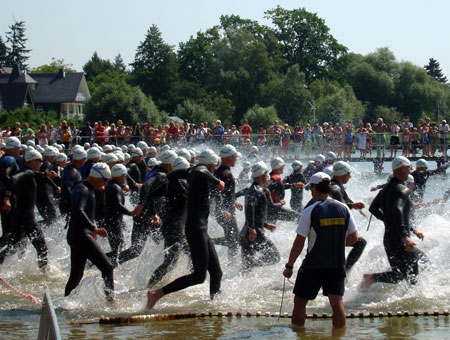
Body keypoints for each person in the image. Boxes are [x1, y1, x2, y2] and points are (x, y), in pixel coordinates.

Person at [146, 149, 225, 309]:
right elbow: (201, 170)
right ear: (209, 164)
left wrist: (184, 192)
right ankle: (156, 294)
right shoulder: (200, 170)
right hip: (196, 229)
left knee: (216, 273)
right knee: (198, 276)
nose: (215, 169)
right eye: (214, 166)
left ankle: (214, 305)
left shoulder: (191, 171)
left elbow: (171, 176)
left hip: (201, 229)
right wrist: (217, 181)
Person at [283, 172, 358, 328]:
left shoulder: (310, 210)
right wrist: (334, 242)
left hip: (313, 264)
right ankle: (338, 337)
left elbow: (299, 242)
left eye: (311, 188)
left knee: (300, 301)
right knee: (336, 303)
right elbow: (353, 239)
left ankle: (299, 335)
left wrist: (289, 266)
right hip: (336, 264)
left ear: (315, 188)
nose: (311, 191)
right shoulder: (344, 208)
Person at [362, 157, 425, 290]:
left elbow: (372, 208)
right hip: (399, 240)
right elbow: (397, 210)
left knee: (400, 273)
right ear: (402, 168)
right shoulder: (403, 189)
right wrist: (404, 236)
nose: (410, 171)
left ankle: (372, 278)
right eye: (409, 168)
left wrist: (388, 221)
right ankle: (412, 303)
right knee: (413, 276)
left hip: (388, 239)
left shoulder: (385, 190)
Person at [0, 150, 57, 269]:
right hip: (28, 219)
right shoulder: (26, 173)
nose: (41, 163)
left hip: (19, 216)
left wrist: (44, 175)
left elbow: (31, 174)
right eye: (40, 161)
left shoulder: (26, 171)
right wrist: (7, 196)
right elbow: (13, 179)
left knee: (12, 246)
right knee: (42, 249)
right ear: (33, 161)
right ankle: (44, 274)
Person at [118, 150, 177, 265]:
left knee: (135, 250)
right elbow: (146, 186)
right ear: (169, 164)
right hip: (147, 216)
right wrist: (141, 205)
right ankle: (104, 262)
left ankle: (102, 262)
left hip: (148, 215)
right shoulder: (161, 175)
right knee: (167, 243)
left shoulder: (156, 170)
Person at [64, 162, 114, 301]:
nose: (104, 184)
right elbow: (78, 211)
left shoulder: (84, 188)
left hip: (77, 234)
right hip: (81, 235)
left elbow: (85, 212)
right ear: (96, 177)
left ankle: (65, 302)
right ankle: (111, 302)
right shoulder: (83, 189)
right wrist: (94, 228)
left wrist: (91, 227)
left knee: (76, 275)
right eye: (104, 180)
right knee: (108, 267)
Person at [147, 157, 191, 288]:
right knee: (170, 262)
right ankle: (148, 288)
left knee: (182, 258)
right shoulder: (182, 183)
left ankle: (193, 281)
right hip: (175, 227)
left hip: (170, 224)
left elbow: (150, 196)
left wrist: (153, 213)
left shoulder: (168, 183)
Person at [240, 161, 280, 271]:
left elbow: (256, 212)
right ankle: (250, 264)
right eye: (267, 174)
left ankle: (247, 268)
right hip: (254, 234)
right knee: (274, 257)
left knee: (246, 270)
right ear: (263, 175)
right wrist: (252, 228)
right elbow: (249, 208)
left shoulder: (258, 190)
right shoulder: (255, 190)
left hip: (247, 234)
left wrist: (266, 224)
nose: (268, 177)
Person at [329, 161, 367, 273]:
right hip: (332, 229)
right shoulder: (335, 188)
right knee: (360, 243)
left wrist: (356, 207)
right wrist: (352, 205)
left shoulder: (338, 186)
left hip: (333, 228)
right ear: (342, 173)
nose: (350, 176)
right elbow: (340, 205)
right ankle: (345, 271)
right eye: (349, 173)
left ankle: (343, 270)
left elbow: (346, 199)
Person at [212, 144, 242, 259]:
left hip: (223, 211)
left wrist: (233, 201)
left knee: (233, 238)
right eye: (235, 156)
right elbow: (216, 193)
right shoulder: (225, 173)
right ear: (229, 157)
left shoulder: (220, 171)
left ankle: (209, 241)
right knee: (234, 240)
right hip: (225, 212)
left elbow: (223, 193)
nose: (236, 159)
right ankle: (231, 265)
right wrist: (222, 209)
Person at [103, 164, 135, 267]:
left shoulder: (111, 185)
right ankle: (96, 260)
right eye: (124, 176)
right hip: (114, 222)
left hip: (111, 221)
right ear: (119, 176)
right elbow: (118, 205)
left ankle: (101, 262)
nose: (125, 178)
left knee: (118, 248)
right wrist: (131, 213)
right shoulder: (115, 187)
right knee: (118, 249)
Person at [267, 157, 302, 224]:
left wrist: (294, 185)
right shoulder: (276, 178)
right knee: (298, 216)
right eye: (283, 165)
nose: (284, 166)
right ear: (279, 166)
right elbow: (267, 188)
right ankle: (298, 233)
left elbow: (280, 186)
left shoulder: (270, 176)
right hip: (274, 209)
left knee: (271, 228)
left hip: (272, 208)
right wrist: (280, 203)